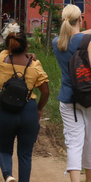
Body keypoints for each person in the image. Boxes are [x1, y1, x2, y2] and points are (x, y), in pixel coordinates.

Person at [52, 5, 91, 182]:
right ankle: (88, 180)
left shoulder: (57, 42)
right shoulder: (89, 40)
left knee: (73, 143)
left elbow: (76, 37)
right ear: (81, 18)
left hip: (68, 99)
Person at [0, 22, 49, 182]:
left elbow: (8, 51)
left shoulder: (2, 60)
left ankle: (8, 175)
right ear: (26, 46)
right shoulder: (35, 65)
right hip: (28, 110)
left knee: (4, 148)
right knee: (25, 154)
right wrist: (39, 109)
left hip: (5, 110)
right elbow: (45, 91)